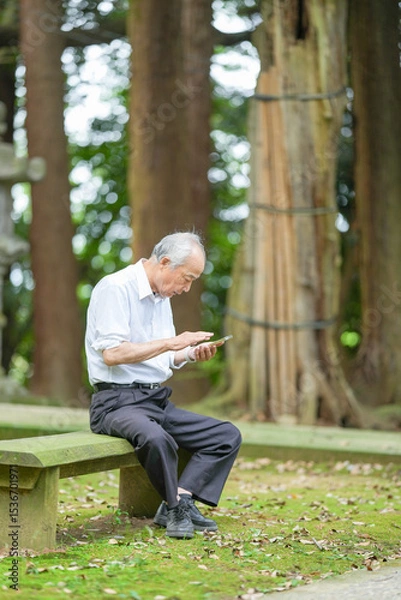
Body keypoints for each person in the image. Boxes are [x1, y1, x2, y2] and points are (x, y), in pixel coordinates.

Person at [85, 231, 242, 539]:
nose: (186, 288)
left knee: (225, 436)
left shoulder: (161, 297)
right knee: (157, 438)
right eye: (186, 278)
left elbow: (163, 358)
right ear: (165, 262)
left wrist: (190, 353)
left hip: (154, 401)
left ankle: (179, 499)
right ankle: (174, 508)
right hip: (115, 404)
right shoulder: (115, 288)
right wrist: (172, 342)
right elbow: (113, 354)